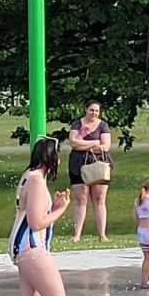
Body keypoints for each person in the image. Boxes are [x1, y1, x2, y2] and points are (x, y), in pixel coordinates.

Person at [10, 137, 72, 296]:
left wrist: (53, 206)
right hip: (32, 248)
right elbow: (36, 222)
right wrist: (61, 209)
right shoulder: (36, 180)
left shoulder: (29, 176)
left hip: (23, 248)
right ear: (51, 157)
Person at [64, 101, 114, 243]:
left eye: (97, 111)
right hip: (78, 165)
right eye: (91, 110)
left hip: (98, 164)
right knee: (81, 200)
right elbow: (73, 143)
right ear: (86, 110)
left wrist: (83, 144)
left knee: (99, 200)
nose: (94, 113)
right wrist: (94, 143)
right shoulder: (77, 124)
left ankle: (102, 235)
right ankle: (76, 235)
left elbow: (105, 146)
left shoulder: (103, 125)